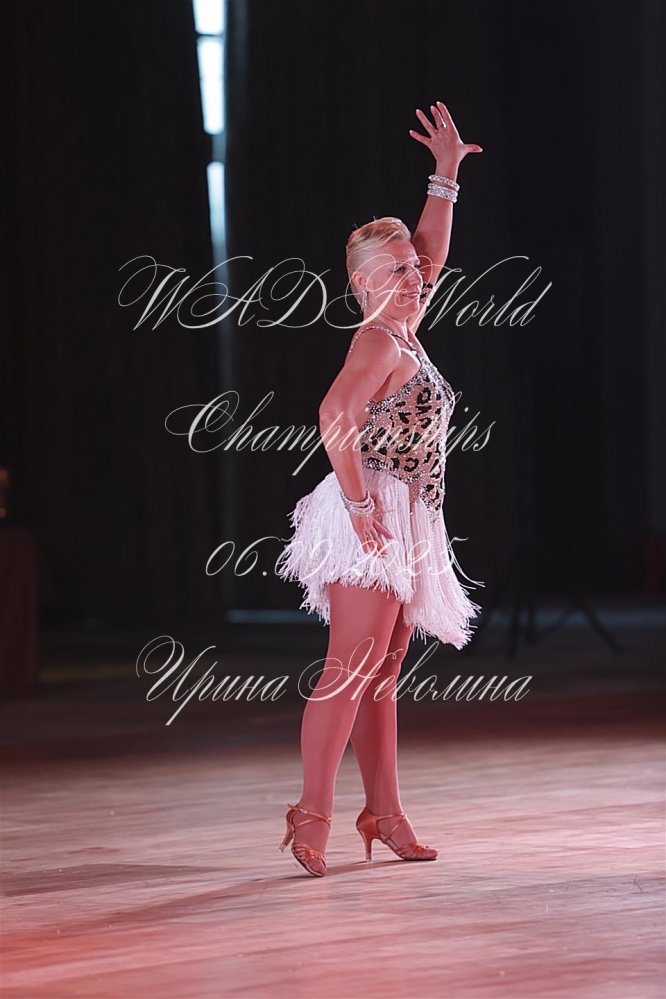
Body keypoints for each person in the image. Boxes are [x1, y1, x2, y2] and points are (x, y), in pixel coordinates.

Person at [276, 101, 484, 877]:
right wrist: (362, 506)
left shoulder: (405, 328)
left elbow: (430, 247)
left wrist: (445, 175)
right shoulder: (376, 338)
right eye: (398, 270)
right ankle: (311, 812)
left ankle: (384, 811)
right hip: (369, 508)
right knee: (350, 669)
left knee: (382, 676)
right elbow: (334, 414)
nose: (417, 274)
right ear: (364, 282)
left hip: (400, 510)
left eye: (416, 269)